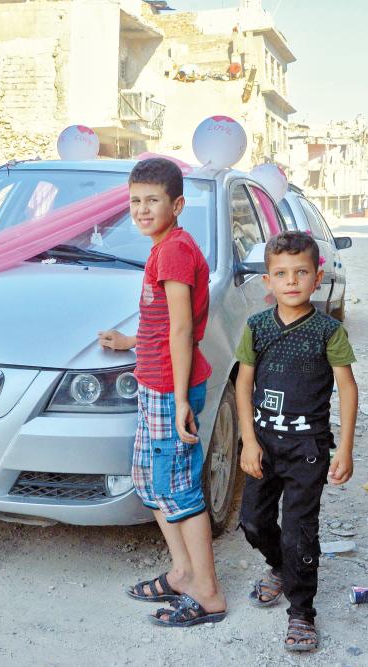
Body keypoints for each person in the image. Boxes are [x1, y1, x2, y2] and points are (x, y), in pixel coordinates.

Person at [97, 157, 225, 628]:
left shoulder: (173, 250)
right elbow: (165, 321)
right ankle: (183, 572)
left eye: (153, 201)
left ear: (178, 204)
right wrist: (131, 343)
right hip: (157, 384)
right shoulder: (164, 247)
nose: (143, 209)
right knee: (152, 483)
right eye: (135, 201)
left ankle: (208, 594)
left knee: (180, 491)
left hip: (172, 391)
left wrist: (179, 404)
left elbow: (182, 328)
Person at [234, 231, 358, 652]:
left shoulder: (327, 331)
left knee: (300, 533)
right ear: (268, 280)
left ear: (316, 276)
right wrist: (248, 442)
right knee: (253, 522)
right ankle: (278, 567)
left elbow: (347, 388)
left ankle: (302, 613)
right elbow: (244, 385)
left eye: (301, 272)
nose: (291, 281)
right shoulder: (256, 328)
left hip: (308, 450)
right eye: (281, 273)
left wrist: (344, 448)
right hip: (264, 447)